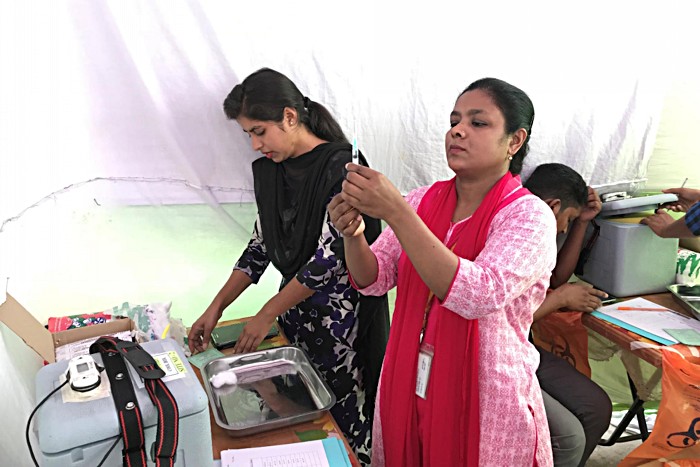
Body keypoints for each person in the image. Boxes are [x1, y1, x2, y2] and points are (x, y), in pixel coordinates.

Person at [329, 77, 556, 466]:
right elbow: (374, 278)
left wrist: (396, 213)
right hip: (409, 379)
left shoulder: (528, 215)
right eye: (454, 120)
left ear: (514, 141)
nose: (457, 130)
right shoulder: (423, 200)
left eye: (478, 122)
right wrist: (353, 235)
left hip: (485, 397)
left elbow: (478, 294)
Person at [187, 68, 390, 464]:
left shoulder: (342, 167)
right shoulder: (270, 173)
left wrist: (266, 313)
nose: (254, 144)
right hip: (295, 316)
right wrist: (216, 307)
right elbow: (260, 246)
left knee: (343, 420)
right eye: (248, 134)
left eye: (259, 131)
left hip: (341, 327)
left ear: (290, 117)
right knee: (296, 416)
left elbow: (329, 260)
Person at [525, 163, 613, 467]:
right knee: (568, 437)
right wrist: (560, 299)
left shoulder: (540, 235)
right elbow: (498, 321)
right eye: (568, 219)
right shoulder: (508, 234)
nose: (563, 229)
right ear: (552, 206)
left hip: (525, 349)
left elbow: (556, 279)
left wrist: (581, 223)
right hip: (497, 356)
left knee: (597, 407)